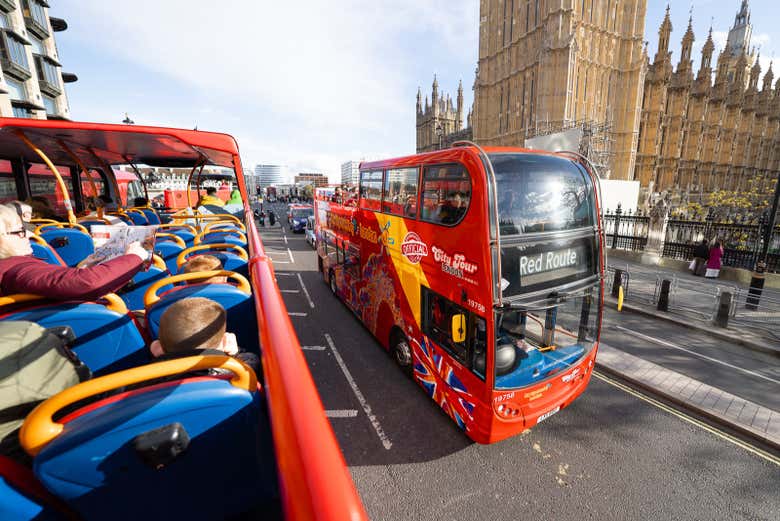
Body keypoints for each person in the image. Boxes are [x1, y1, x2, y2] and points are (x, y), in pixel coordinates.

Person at [0, 203, 147, 299]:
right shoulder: (17, 269)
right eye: (20, 231)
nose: (30, 235)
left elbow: (54, 283)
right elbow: (88, 284)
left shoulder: (13, 267)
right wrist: (135, 257)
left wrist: (81, 269)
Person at [149, 297, 261, 375]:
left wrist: (158, 358)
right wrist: (235, 353)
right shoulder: (238, 372)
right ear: (224, 342)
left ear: (159, 347)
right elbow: (253, 361)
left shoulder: (145, 376)